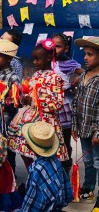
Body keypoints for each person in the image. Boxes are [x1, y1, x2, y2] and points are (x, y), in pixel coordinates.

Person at [8, 39, 69, 171]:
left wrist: (36, 102)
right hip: (30, 118)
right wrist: (25, 99)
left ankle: (44, 178)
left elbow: (57, 103)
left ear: (48, 58)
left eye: (38, 59)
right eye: (33, 59)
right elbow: (32, 94)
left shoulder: (55, 78)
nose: (34, 62)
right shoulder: (36, 74)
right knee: (27, 150)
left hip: (46, 121)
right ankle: (33, 174)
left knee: (44, 153)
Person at [72, 37, 99, 210]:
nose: (86, 58)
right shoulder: (83, 76)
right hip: (83, 128)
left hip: (96, 130)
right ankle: (89, 189)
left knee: (97, 161)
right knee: (88, 161)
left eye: (90, 54)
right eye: (85, 54)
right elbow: (76, 101)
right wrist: (74, 125)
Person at [20, 121, 73, 212]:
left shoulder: (37, 170)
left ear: (30, 146)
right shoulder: (55, 161)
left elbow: (30, 207)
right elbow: (67, 194)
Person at [0, 39, 21, 174]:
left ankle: (10, 174)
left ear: (9, 59)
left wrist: (0, 101)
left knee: (6, 145)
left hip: (7, 116)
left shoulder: (13, 77)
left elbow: (16, 100)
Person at [52, 33, 84, 174]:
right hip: (49, 105)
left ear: (65, 49)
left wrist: (77, 80)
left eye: (58, 46)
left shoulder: (67, 63)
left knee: (64, 138)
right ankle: (53, 164)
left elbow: (85, 73)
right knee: (50, 137)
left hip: (63, 105)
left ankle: (66, 165)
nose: (54, 49)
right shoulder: (47, 61)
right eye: (52, 46)